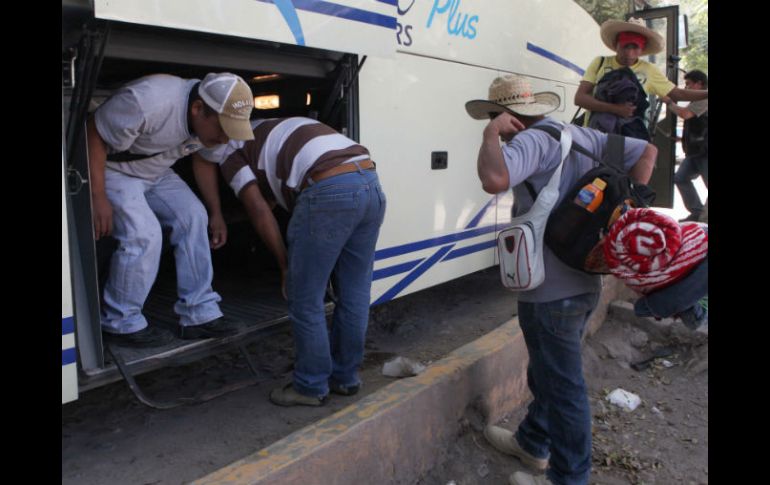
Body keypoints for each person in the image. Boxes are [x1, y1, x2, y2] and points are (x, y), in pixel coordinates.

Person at [466, 74, 657, 485]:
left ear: (506, 113)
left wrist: (490, 136)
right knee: (549, 373)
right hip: (587, 280)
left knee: (563, 386)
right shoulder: (579, 134)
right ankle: (533, 442)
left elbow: (494, 180)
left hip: (549, 288)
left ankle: (569, 477)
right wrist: (631, 212)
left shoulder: (529, 140)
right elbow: (648, 151)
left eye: (495, 114)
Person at [196, 117, 387, 407]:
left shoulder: (229, 154)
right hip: (368, 181)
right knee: (355, 292)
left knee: (304, 296)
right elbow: (273, 191)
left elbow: (260, 210)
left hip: (327, 190)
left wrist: (286, 267)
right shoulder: (270, 128)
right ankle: (345, 379)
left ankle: (310, 387)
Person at [87, 72, 255, 348]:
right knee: (144, 234)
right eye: (223, 128)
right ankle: (120, 322)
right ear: (197, 108)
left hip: (158, 172)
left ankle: (199, 313)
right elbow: (93, 132)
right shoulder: (150, 100)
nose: (226, 139)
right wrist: (98, 196)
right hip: (113, 170)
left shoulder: (212, 128)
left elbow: (204, 160)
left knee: (194, 216)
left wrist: (215, 212)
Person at [575, 17, 708, 135]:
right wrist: (615, 109)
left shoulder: (649, 70)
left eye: (635, 47)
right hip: (594, 134)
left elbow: (678, 94)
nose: (629, 53)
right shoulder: (600, 63)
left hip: (628, 136)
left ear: (642, 49)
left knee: (649, 153)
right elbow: (580, 98)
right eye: (625, 46)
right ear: (616, 45)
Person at [665, 70, 708, 222]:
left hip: (704, 151)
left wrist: (669, 103)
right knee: (680, 178)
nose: (687, 87)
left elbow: (686, 114)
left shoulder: (704, 98)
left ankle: (703, 218)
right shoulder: (696, 101)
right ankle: (697, 212)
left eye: (689, 84)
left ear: (699, 84)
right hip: (696, 151)